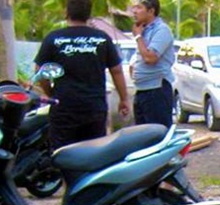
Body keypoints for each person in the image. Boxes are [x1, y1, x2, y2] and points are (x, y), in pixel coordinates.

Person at [34, 0, 130, 151]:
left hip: (64, 107)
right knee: (93, 153)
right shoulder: (102, 38)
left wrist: (51, 93)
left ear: (67, 13)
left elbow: (40, 71)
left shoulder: (53, 38)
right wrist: (124, 98)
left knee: (62, 153)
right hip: (94, 107)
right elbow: (116, 70)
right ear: (89, 15)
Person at [131, 0, 176, 128]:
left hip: (156, 89)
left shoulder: (161, 30)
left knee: (157, 132)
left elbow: (150, 58)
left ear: (151, 11)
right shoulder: (143, 30)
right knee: (142, 135)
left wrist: (138, 37)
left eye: (139, 8)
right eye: (134, 8)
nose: (134, 11)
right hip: (141, 90)